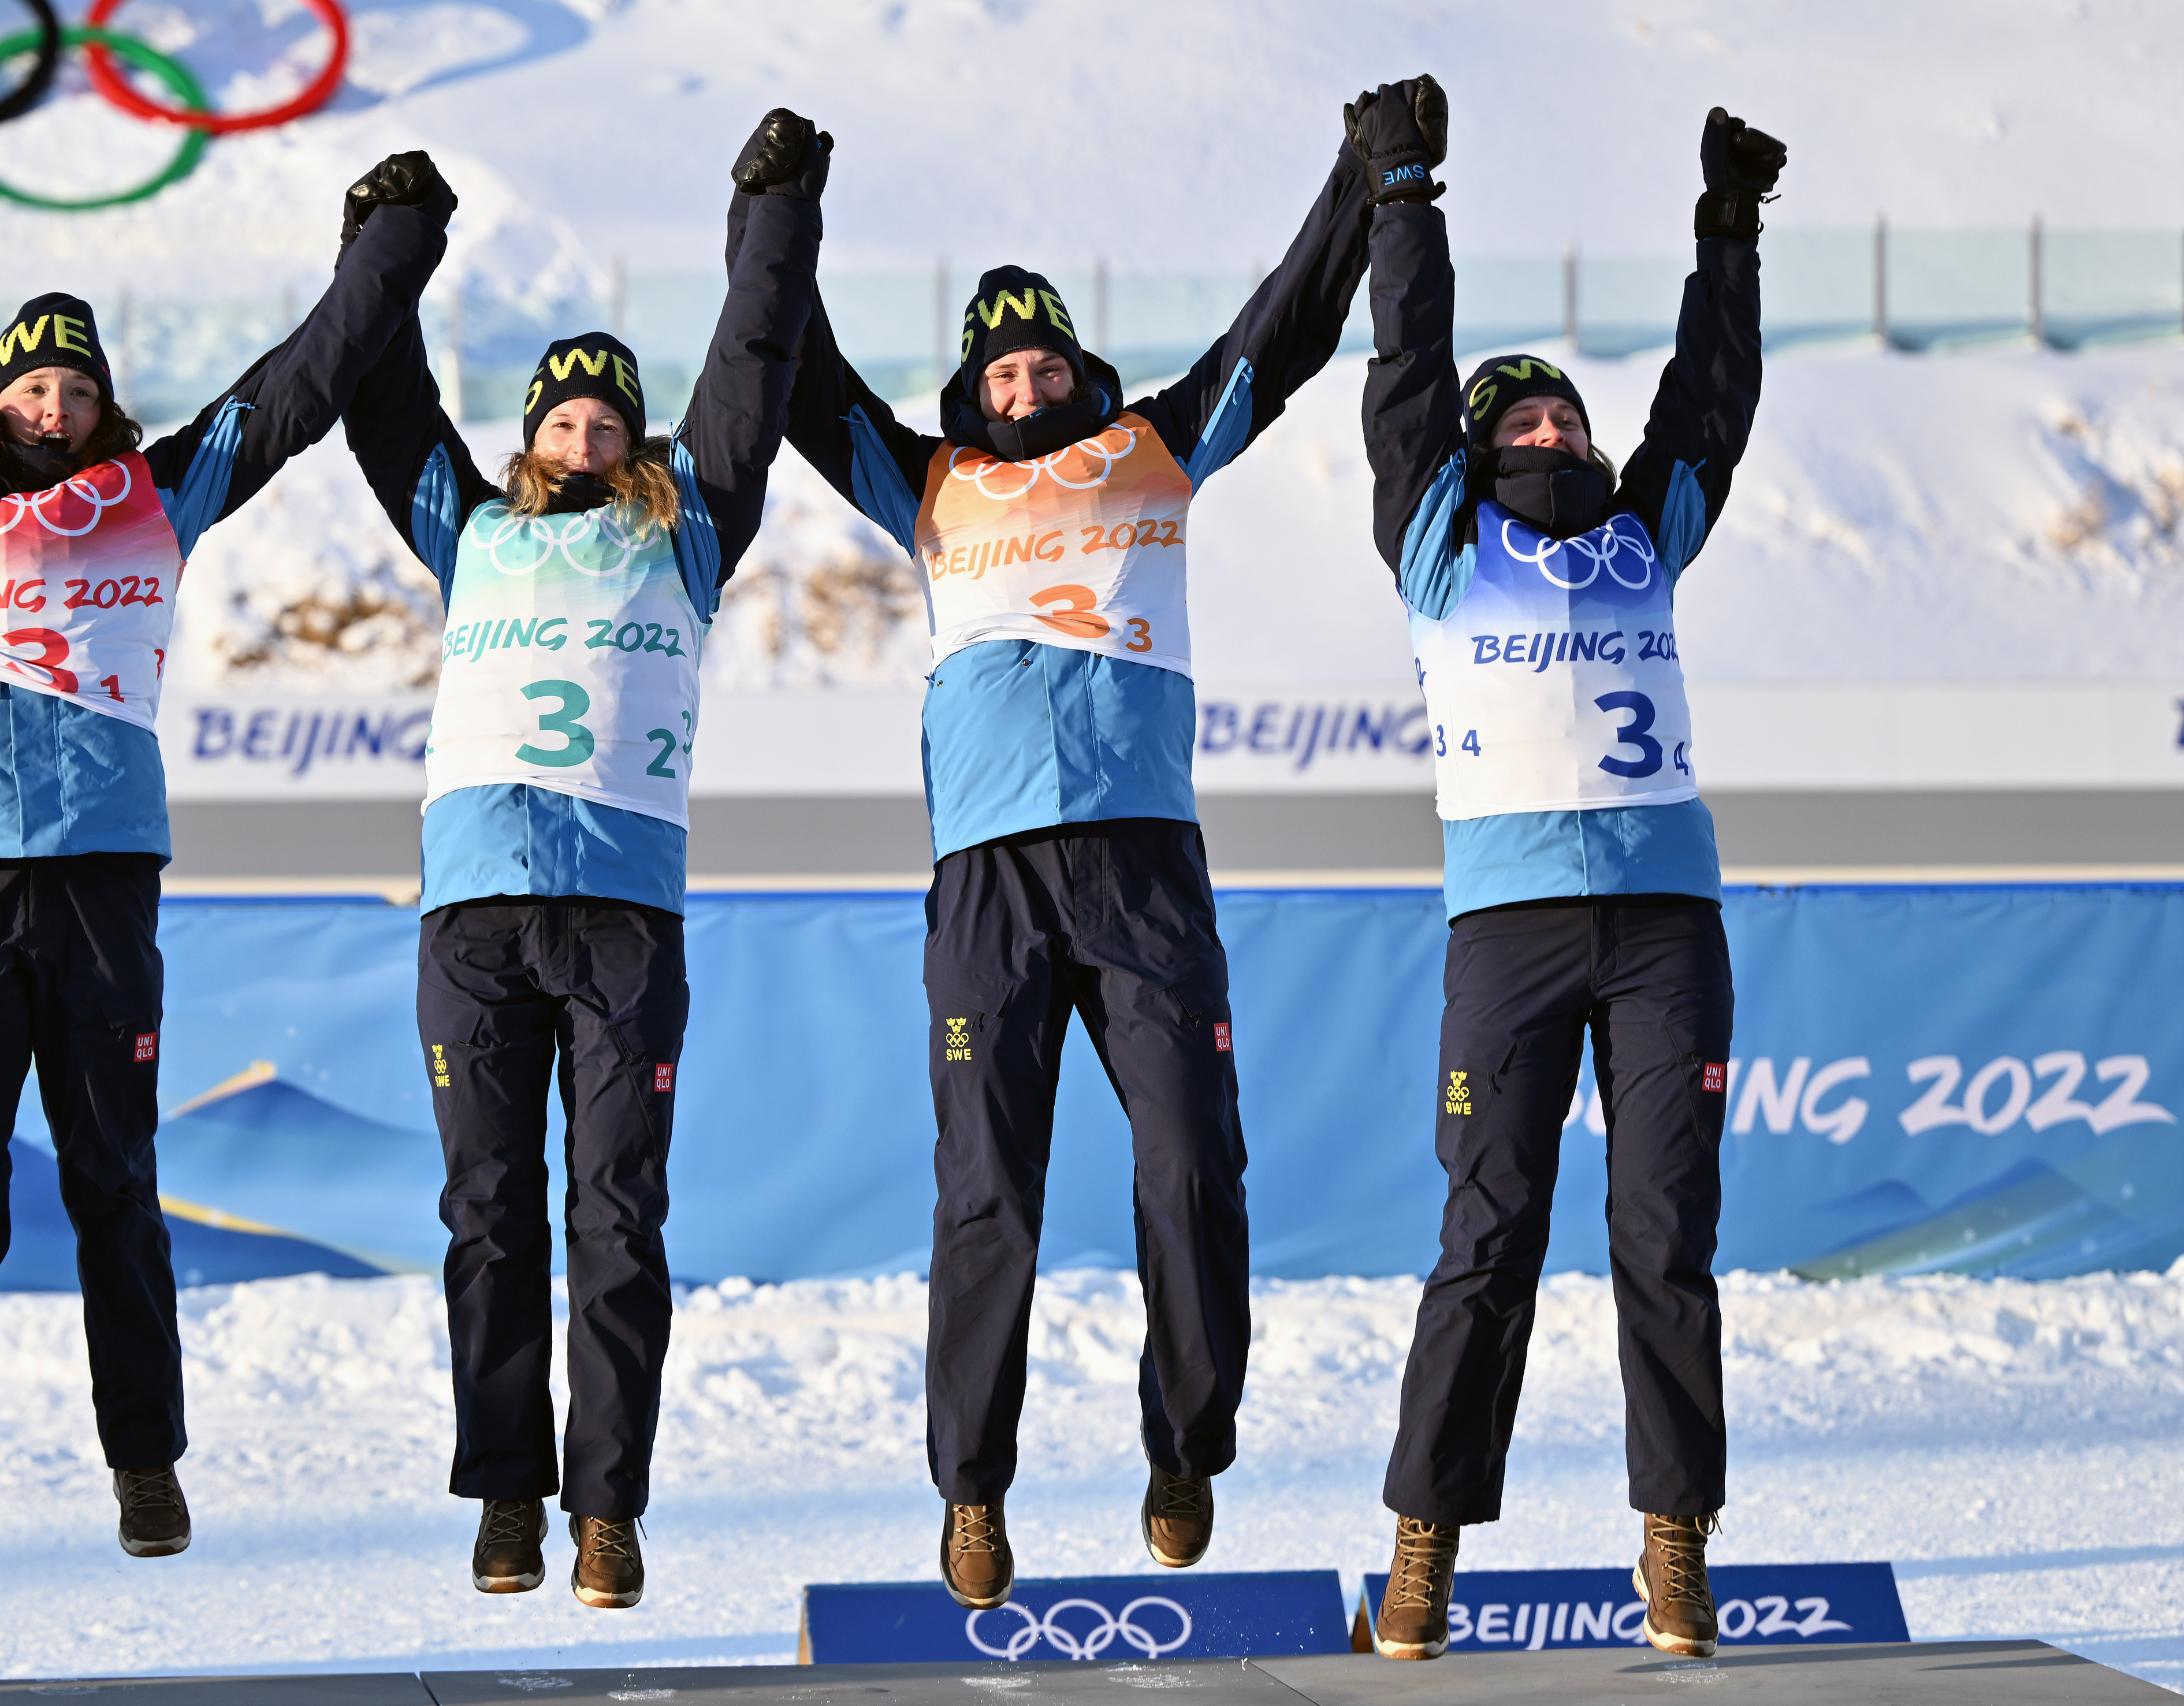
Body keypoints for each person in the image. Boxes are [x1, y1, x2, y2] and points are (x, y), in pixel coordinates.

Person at [0, 85, 454, 1582]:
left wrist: (394, 241)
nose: (56, 407)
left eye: (78, 388)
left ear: (105, 408)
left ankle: (146, 1464)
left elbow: (297, 387)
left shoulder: (157, 494)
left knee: (115, 1181)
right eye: (33, 387)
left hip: (104, 887)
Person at [779, 90, 1415, 1606]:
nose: (1026, 378)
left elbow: (1285, 331)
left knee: (1190, 1161)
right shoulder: (927, 479)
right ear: (970, 388)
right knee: (986, 1187)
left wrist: (1361, 176)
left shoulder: (1153, 449)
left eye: (1047, 357)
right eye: (1001, 364)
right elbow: (793, 375)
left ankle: (1186, 1443)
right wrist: (779, 210)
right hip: (989, 877)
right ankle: (973, 1490)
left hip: (1143, 869)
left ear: (1082, 372)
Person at [340, 109, 829, 1612]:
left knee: (617, 1215)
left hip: (622, 914)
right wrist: (390, 236)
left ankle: (607, 1503)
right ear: (533, 438)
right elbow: (377, 395)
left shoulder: (687, 530)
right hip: (479, 912)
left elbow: (749, 372)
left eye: (613, 423)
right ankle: (507, 1493)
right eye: (568, 420)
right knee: (490, 1211)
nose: (591, 436)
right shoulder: (469, 524)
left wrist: (777, 206)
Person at [1356, 103, 1787, 1662]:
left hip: (1670, 927)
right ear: (1478, 456)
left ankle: (1674, 1539)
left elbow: (1713, 400)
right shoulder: (1440, 541)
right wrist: (1407, 196)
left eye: (1566, 422)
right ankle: (1425, 1546)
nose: (1553, 435)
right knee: (1491, 1236)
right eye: (1521, 425)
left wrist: (1724, 233)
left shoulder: (1646, 529)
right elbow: (1407, 371)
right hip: (1513, 933)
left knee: (1664, 1233)